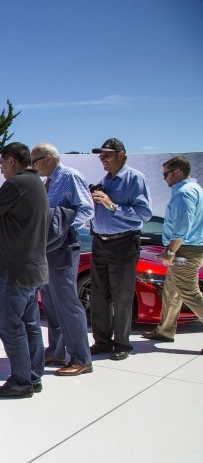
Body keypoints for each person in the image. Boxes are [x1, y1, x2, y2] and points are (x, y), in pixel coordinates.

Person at [0, 142, 49, 398]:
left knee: (10, 326)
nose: (1, 170)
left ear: (10, 160)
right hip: (32, 268)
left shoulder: (16, 184)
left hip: (15, 269)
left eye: (1, 164)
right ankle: (33, 377)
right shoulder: (37, 184)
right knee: (30, 325)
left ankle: (21, 381)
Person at [31, 143, 94, 376]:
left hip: (64, 247)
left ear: (47, 159)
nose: (33, 166)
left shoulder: (70, 176)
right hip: (47, 248)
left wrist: (62, 228)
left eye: (34, 161)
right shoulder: (46, 182)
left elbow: (87, 209)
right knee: (50, 301)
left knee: (67, 302)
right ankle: (56, 351)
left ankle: (81, 358)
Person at [88, 138, 152, 361]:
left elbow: (144, 214)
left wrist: (112, 205)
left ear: (122, 154)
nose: (102, 159)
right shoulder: (102, 180)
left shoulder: (135, 178)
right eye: (101, 155)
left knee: (122, 296)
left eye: (107, 154)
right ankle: (102, 341)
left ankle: (122, 344)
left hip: (124, 243)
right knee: (98, 295)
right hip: (100, 241)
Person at [142, 156, 203, 345]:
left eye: (166, 174)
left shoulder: (184, 193)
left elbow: (183, 227)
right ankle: (165, 330)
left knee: (189, 293)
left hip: (185, 250)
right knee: (171, 291)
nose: (164, 178)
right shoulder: (195, 189)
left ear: (178, 171)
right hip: (188, 248)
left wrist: (170, 251)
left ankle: (165, 330)